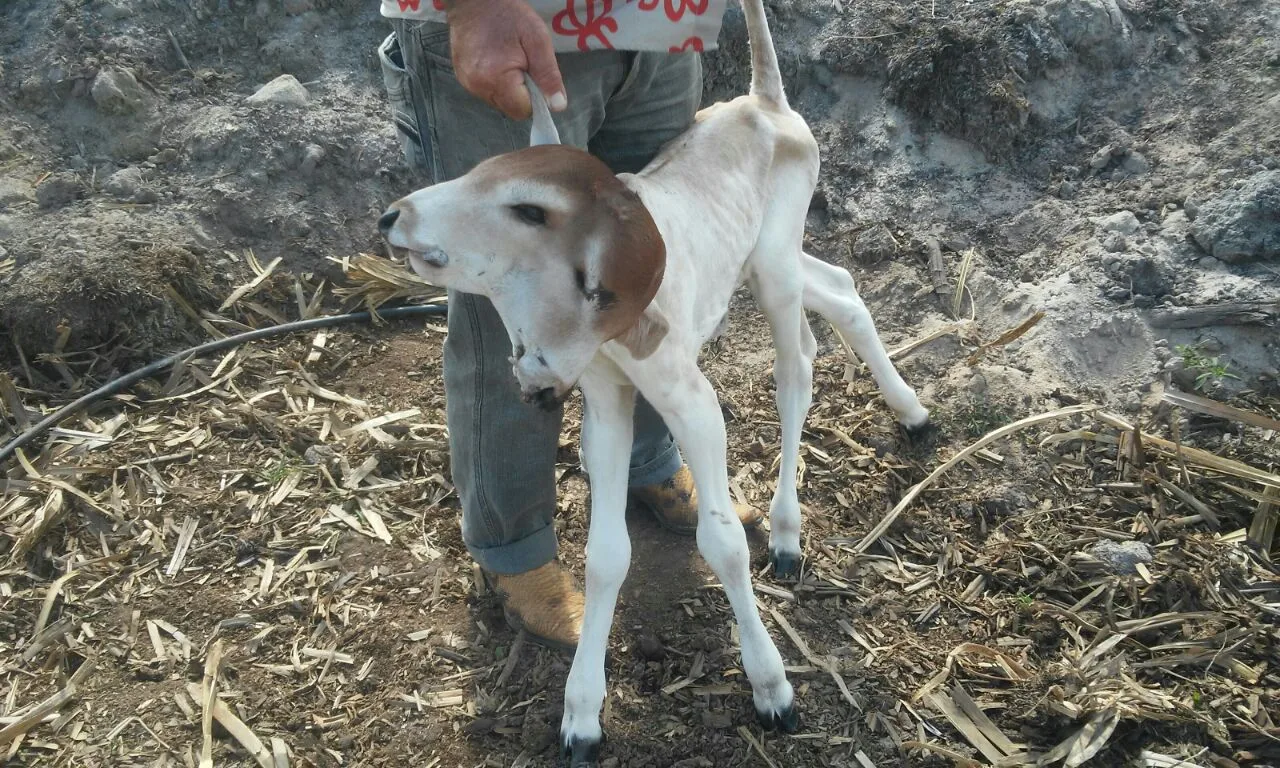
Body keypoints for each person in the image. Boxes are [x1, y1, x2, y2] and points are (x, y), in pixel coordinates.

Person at [376, 0, 762, 651]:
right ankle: (514, 545)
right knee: (507, 301)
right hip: (518, 22)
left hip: (659, 22)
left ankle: (648, 460)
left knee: (637, 272)